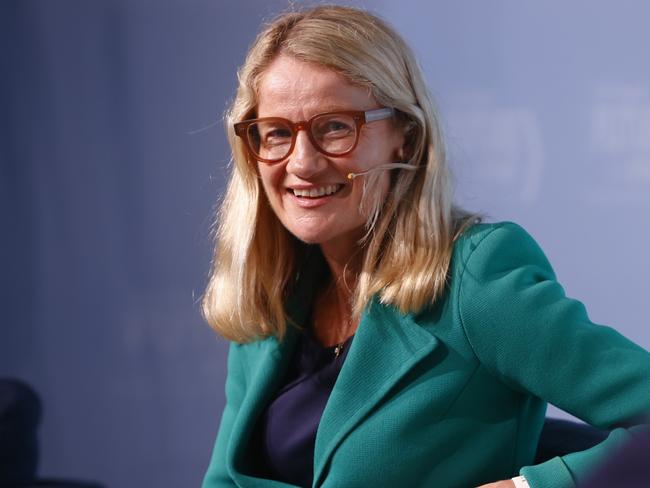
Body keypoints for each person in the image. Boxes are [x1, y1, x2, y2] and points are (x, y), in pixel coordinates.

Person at [201, 5, 650, 488]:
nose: (302, 163)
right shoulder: (268, 296)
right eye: (278, 134)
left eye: (335, 127)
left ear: (406, 139)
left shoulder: (474, 277)